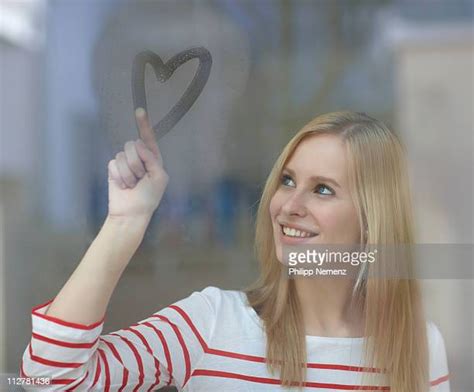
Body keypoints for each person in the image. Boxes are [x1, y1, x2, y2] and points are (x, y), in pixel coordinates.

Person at [20, 109, 450, 391]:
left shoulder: (418, 347)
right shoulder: (209, 325)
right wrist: (123, 223)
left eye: (322, 189)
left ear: (373, 220)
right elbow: (47, 379)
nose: (289, 206)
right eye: (287, 180)